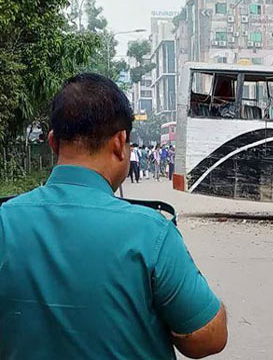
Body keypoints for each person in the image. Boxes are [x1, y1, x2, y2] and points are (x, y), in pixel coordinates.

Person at [0, 73, 227, 359]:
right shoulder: (151, 231)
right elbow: (208, 337)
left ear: (53, 143)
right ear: (120, 143)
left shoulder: (4, 221)